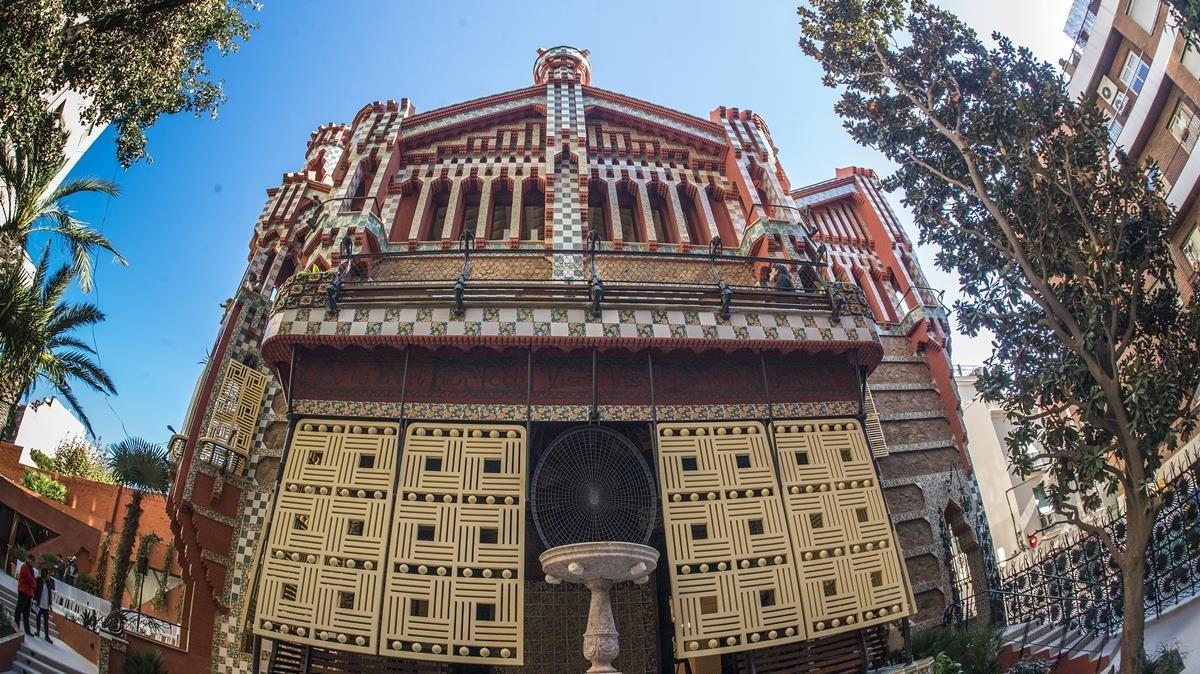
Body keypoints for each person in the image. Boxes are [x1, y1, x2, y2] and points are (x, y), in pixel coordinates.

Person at [14, 554, 34, 636]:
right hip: (23, 590)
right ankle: (16, 625)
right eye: (30, 559)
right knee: (19, 608)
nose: (31, 561)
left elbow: (32, 580)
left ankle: (27, 629)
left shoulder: (31, 569)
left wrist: (33, 583)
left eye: (32, 560)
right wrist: (34, 584)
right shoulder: (25, 567)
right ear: (27, 559)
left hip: (29, 592)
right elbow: (29, 579)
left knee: (26, 612)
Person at [33, 565, 53, 642]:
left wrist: (50, 605)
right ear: (44, 574)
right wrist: (34, 599)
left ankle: (47, 636)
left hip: (46, 604)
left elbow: (49, 594)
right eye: (48, 574)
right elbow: (35, 590)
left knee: (46, 621)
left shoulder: (48, 583)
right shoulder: (38, 580)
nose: (49, 575)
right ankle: (37, 631)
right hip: (39, 603)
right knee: (38, 618)